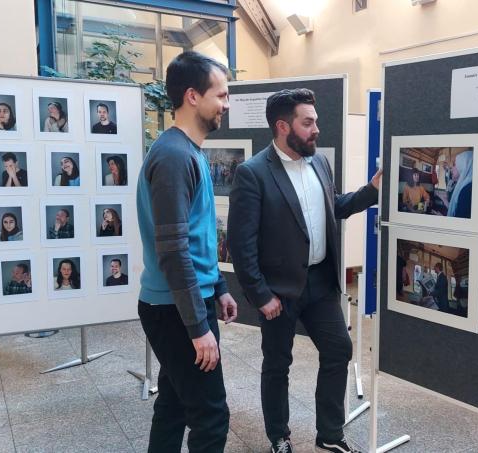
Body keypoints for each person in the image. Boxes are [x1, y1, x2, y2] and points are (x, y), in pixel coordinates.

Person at [228, 88, 381, 453]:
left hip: (320, 283)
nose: (316, 129)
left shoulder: (319, 163)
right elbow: (241, 244)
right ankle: (279, 437)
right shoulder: (253, 174)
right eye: (308, 122)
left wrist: (370, 191)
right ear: (283, 126)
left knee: (339, 350)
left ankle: (329, 434)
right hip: (278, 290)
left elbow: (335, 206)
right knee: (278, 364)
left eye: (316, 121)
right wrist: (260, 295)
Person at [136, 50, 238, 453]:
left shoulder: (187, 151)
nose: (226, 105)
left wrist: (219, 287)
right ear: (193, 96)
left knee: (176, 403)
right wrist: (199, 328)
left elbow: (197, 239)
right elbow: (174, 250)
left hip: (184, 301)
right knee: (211, 416)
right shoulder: (175, 156)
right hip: (175, 310)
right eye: (222, 95)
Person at [447, 151, 473, 218]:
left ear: (464, 165)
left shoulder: (466, 190)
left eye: (455, 164)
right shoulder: (466, 185)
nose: (452, 168)